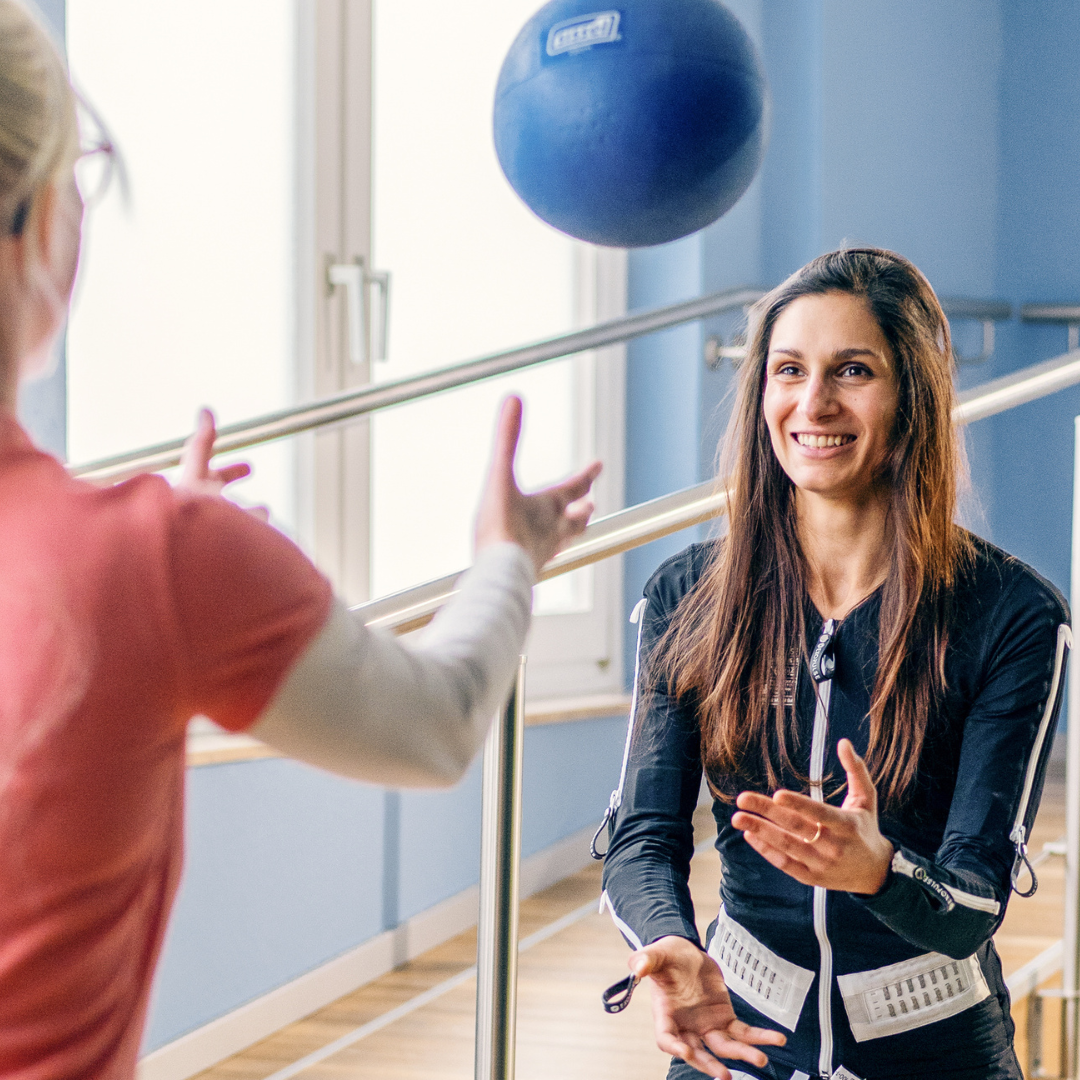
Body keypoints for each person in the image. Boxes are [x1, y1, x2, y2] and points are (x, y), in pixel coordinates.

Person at [0, 2, 601, 1077]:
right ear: (44, 216)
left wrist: (145, 591)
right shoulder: (155, 563)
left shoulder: (142, 565)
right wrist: (507, 554)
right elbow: (436, 721)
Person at [599, 247, 1069, 1080]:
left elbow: (975, 901)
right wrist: (667, 940)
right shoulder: (685, 594)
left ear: (914, 397)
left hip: (938, 1048)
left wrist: (881, 872)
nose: (812, 403)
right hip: (734, 1036)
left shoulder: (1013, 614)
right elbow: (644, 837)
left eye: (852, 370)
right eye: (789, 370)